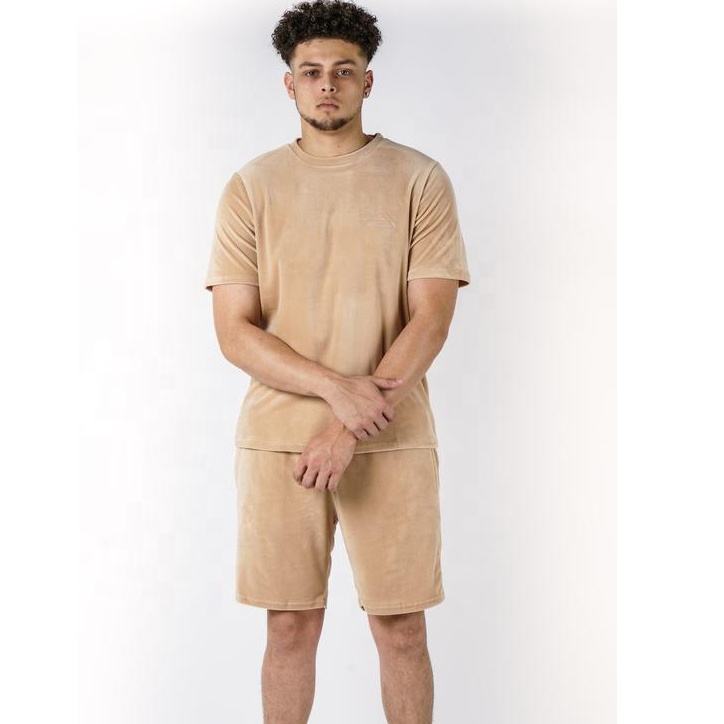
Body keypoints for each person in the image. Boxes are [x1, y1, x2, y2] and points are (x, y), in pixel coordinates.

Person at [203, 1, 471, 721]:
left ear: (368, 82)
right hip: (278, 442)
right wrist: (334, 390)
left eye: (344, 71)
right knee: (290, 626)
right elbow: (234, 331)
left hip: (391, 437)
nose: (328, 84)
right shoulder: (251, 186)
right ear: (288, 83)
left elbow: (431, 318)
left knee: (402, 629)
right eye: (312, 71)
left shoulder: (419, 178)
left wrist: (349, 424)